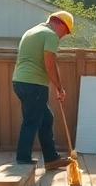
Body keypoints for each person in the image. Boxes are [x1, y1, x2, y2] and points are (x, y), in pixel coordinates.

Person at [12, 11, 74, 169]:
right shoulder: (50, 35)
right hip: (34, 84)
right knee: (32, 121)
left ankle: (51, 158)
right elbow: (50, 64)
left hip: (20, 82)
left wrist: (58, 86)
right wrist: (60, 88)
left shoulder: (32, 31)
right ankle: (23, 159)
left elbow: (50, 62)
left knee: (45, 118)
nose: (63, 36)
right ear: (58, 23)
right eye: (65, 32)